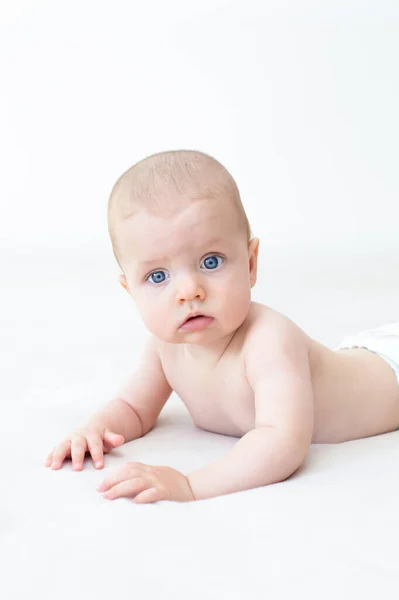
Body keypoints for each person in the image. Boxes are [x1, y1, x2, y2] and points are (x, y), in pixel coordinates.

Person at [44, 149, 399, 503]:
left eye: (210, 262)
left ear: (250, 263)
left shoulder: (268, 341)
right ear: (130, 291)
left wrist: (191, 484)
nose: (189, 291)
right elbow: (133, 409)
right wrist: (95, 429)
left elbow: (283, 441)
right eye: (157, 276)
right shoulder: (164, 348)